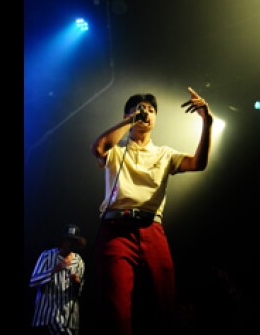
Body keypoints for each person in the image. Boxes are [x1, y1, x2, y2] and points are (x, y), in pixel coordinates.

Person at [90, 86, 213, 334]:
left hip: (152, 230)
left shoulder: (164, 154)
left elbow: (198, 163)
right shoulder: (116, 151)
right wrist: (131, 120)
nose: (146, 113)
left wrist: (207, 123)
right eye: (139, 109)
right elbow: (98, 148)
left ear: (156, 118)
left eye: (150, 110)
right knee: (116, 311)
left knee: (163, 304)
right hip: (116, 231)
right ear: (127, 116)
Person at [29, 224, 86, 335]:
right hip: (48, 316)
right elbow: (33, 281)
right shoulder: (47, 255)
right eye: (67, 240)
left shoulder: (79, 260)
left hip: (70, 318)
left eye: (73, 241)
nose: (69, 244)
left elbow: (79, 292)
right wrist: (55, 269)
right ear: (62, 240)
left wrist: (77, 282)